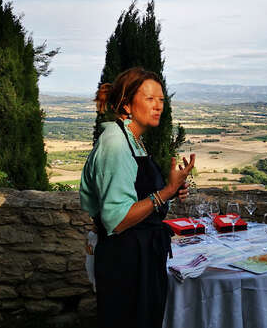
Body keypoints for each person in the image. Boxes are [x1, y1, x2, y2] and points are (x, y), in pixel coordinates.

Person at [80, 67, 195, 328]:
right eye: (150, 99)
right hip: (125, 262)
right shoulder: (116, 143)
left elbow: (138, 196)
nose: (158, 107)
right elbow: (116, 220)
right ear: (127, 104)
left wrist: (171, 191)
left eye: (161, 100)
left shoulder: (134, 140)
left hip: (142, 256)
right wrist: (164, 192)